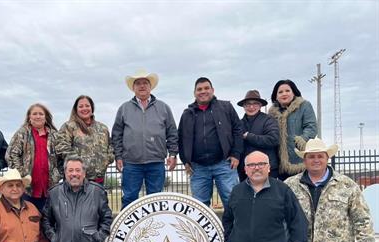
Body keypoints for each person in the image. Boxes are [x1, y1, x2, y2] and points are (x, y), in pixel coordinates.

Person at [112, 69, 178, 208]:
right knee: (129, 199)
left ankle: (156, 229)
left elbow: (172, 132)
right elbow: (116, 134)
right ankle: (129, 229)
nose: (142, 86)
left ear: (150, 87)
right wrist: (118, 156)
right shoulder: (124, 109)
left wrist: (172, 154)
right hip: (131, 163)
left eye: (145, 83)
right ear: (133, 88)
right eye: (138, 83)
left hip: (156, 162)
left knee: (155, 200)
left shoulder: (163, 108)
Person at [178, 77, 243, 209]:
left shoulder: (226, 107)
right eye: (199, 89)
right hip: (198, 168)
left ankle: (235, 230)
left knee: (233, 203)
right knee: (200, 208)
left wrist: (236, 154)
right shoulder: (187, 114)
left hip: (224, 164)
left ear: (212, 90)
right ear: (194, 93)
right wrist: (185, 160)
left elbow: (238, 130)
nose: (203, 91)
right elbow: (180, 138)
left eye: (206, 88)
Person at [6, 103, 61, 210]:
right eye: (34, 114)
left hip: (50, 189)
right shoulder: (22, 133)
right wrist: (23, 175)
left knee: (48, 221)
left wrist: (58, 175)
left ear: (46, 117)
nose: (38, 116)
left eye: (41, 114)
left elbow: (63, 158)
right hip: (27, 189)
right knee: (27, 221)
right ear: (29, 117)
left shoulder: (55, 136)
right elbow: (11, 155)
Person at [55, 95, 114, 185]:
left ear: (92, 108)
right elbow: (61, 147)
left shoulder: (103, 128)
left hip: (98, 179)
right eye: (81, 106)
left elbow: (110, 146)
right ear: (76, 109)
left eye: (87, 106)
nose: (84, 108)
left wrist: (107, 159)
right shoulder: (69, 127)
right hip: (76, 179)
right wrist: (78, 164)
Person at [268, 80, 317, 179]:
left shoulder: (304, 106)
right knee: (283, 193)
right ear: (275, 96)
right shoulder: (272, 113)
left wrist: (301, 140)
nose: (284, 94)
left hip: (298, 160)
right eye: (280, 92)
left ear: (294, 92)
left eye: (287, 91)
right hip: (279, 163)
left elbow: (311, 127)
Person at [236, 90, 279, 181]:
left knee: (268, 195)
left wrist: (249, 136)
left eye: (255, 103)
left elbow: (273, 139)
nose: (251, 107)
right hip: (245, 170)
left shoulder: (268, 120)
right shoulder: (239, 124)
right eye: (248, 104)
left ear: (260, 105)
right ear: (243, 106)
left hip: (267, 170)